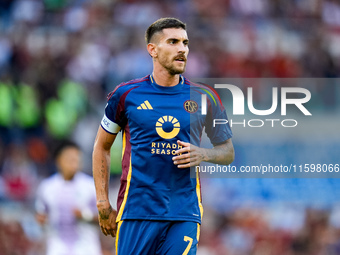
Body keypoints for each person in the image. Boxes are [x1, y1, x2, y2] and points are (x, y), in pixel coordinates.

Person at [92, 17, 234, 255]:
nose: (182, 49)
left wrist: (203, 153)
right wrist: (102, 202)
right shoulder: (126, 94)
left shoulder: (205, 97)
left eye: (185, 43)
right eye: (173, 42)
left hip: (183, 213)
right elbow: (101, 147)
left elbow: (227, 151)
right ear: (153, 50)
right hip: (136, 211)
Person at [35, 140, 102, 255]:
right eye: (69, 158)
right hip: (57, 246)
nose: (74, 162)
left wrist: (85, 215)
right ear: (58, 161)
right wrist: (41, 220)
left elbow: (105, 219)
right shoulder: (47, 187)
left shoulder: (91, 186)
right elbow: (41, 214)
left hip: (86, 246)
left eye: (76, 158)